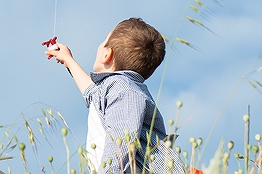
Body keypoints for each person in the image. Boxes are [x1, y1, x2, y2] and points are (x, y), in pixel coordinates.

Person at [46, 18, 182, 174]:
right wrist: (68, 60)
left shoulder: (125, 91)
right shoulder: (116, 87)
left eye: (104, 40)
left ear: (107, 54)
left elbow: (123, 138)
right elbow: (91, 93)